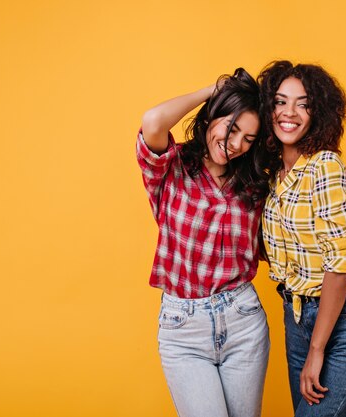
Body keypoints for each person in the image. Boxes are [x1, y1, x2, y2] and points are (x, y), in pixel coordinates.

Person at [137, 68, 270, 417]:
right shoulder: (173, 166)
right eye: (232, 127)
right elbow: (152, 121)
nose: (237, 143)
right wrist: (212, 90)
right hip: (184, 329)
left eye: (249, 138)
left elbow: (277, 245)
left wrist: (344, 258)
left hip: (243, 321)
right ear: (213, 114)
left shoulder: (254, 185)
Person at [258, 60, 346, 417]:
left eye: (304, 103)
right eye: (281, 102)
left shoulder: (324, 166)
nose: (290, 112)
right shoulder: (273, 178)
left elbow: (338, 263)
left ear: (320, 113)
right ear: (268, 110)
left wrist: (317, 350)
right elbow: (283, 248)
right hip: (296, 318)